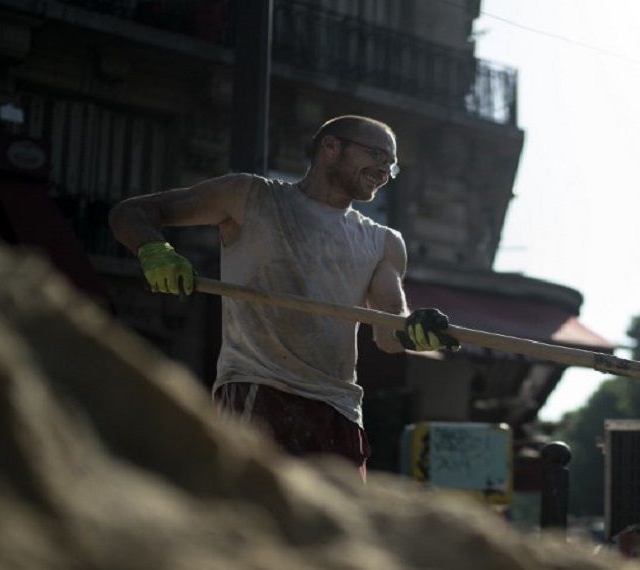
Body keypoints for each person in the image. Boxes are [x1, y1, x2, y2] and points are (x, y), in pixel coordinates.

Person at [108, 114, 458, 476]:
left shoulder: (384, 241)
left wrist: (414, 329)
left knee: (340, 529)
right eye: (376, 155)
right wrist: (155, 251)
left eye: (391, 165)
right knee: (250, 523)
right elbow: (132, 212)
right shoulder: (248, 196)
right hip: (258, 391)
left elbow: (389, 332)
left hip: (338, 409)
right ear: (331, 147)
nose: (385, 170)